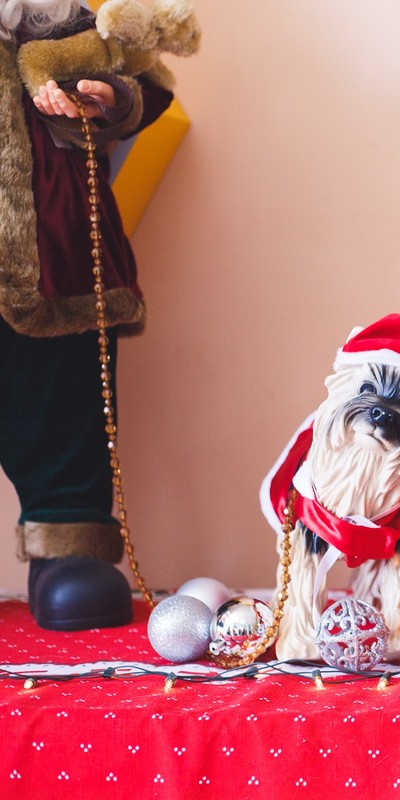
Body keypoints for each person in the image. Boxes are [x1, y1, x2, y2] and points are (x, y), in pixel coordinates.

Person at [0, 0, 174, 629]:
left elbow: (147, 88)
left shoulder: (78, 21)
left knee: (64, 403)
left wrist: (108, 100)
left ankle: (68, 549)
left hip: (58, 253)